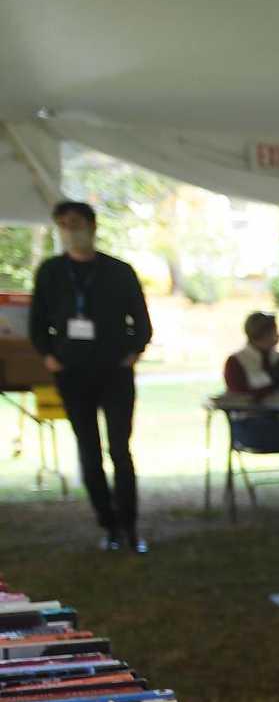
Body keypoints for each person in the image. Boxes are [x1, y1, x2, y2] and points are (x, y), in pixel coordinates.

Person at [29, 200, 152, 552]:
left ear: (92, 226)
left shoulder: (118, 271)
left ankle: (129, 524)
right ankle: (108, 523)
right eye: (63, 224)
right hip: (72, 373)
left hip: (114, 370)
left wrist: (134, 350)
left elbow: (141, 321)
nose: (70, 230)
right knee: (88, 449)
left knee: (119, 448)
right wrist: (49, 355)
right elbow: (38, 321)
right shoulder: (51, 271)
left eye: (76, 223)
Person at [222, 311, 279, 401]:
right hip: (249, 414)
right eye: (273, 332)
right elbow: (238, 396)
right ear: (262, 334)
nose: (277, 336)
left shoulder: (278, 358)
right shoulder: (236, 361)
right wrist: (272, 382)